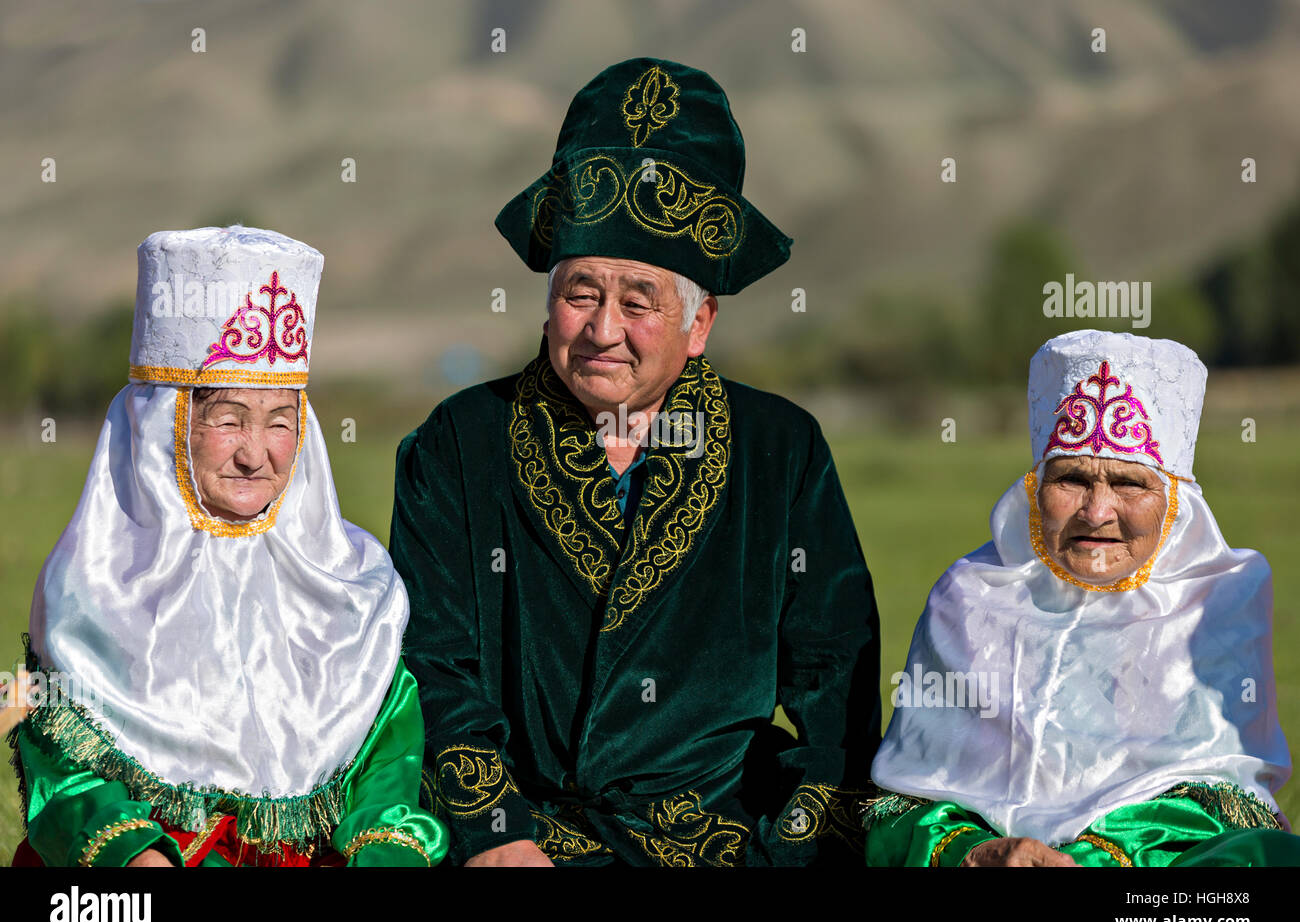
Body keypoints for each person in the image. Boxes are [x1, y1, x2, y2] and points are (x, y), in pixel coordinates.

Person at [391, 58, 880, 866]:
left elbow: (838, 690)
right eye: (582, 292)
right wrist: (495, 832)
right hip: (521, 838)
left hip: (724, 842)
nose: (602, 328)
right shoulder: (459, 441)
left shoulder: (779, 448)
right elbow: (432, 664)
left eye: (639, 301)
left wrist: (796, 847)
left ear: (699, 324)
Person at [10, 226, 447, 867]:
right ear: (165, 424)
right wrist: (135, 857)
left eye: (279, 420)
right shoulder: (94, 588)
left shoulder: (355, 592)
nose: (255, 453)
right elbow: (70, 781)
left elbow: (388, 788)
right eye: (228, 418)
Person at [866, 330, 1297, 866]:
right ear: (1034, 488)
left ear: (1176, 503)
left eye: (1129, 484)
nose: (1096, 512)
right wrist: (977, 854)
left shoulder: (1217, 601)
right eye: (1071, 479)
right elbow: (900, 808)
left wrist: (1100, 859)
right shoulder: (968, 600)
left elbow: (1225, 801)